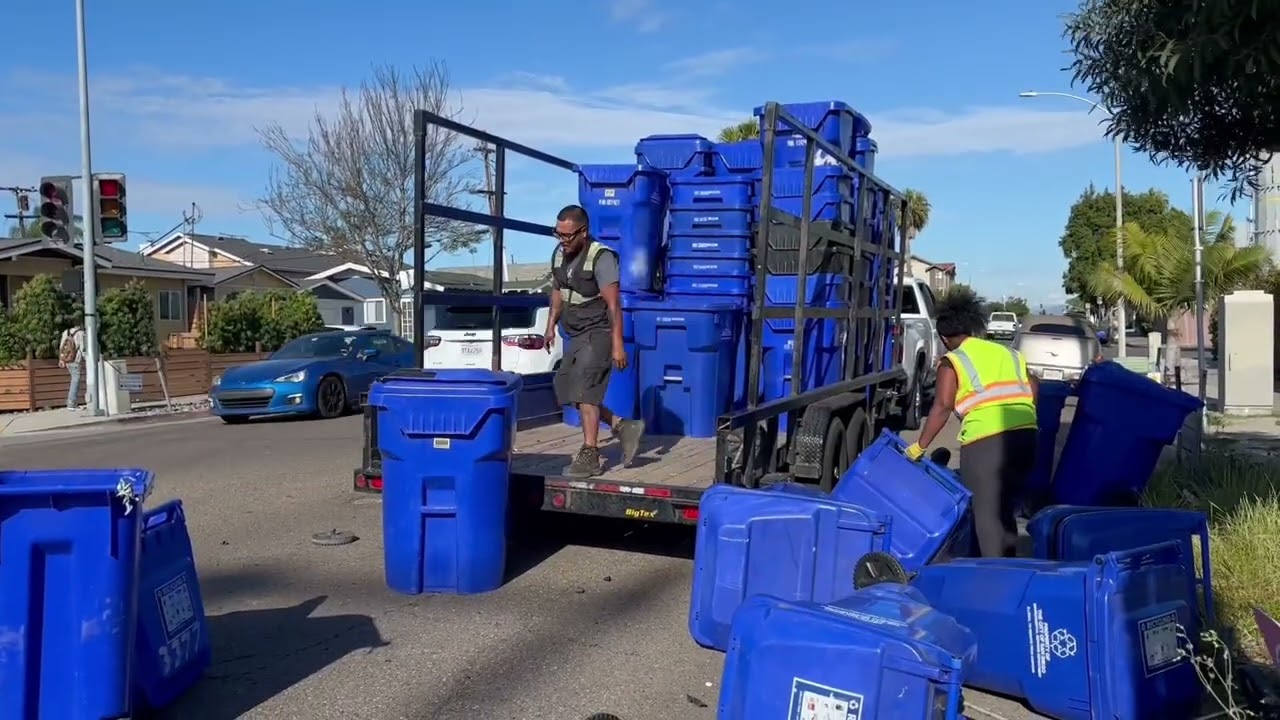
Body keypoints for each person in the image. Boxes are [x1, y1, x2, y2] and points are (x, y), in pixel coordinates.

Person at [904, 292, 1039, 558]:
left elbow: (942, 406)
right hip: (1026, 438)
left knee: (985, 516)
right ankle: (1011, 573)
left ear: (944, 338)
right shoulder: (1007, 353)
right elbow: (1034, 385)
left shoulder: (953, 360)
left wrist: (918, 447)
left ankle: (991, 581)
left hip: (986, 443)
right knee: (1005, 510)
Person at [545, 205, 646, 477]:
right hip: (575, 332)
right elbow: (557, 291)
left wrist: (617, 345)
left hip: (599, 331)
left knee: (586, 389)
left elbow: (614, 306)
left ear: (583, 232)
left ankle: (591, 453)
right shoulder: (559, 254)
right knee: (566, 386)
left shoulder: (601, 257)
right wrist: (550, 326)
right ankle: (622, 425)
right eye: (558, 234)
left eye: (568, 236)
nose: (563, 241)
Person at [58, 321, 86, 411]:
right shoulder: (81, 333)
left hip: (67, 360)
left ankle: (73, 402)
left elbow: (62, 347)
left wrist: (61, 359)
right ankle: (71, 403)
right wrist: (86, 359)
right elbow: (83, 348)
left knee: (74, 380)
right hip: (76, 360)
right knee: (75, 381)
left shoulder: (65, 332)